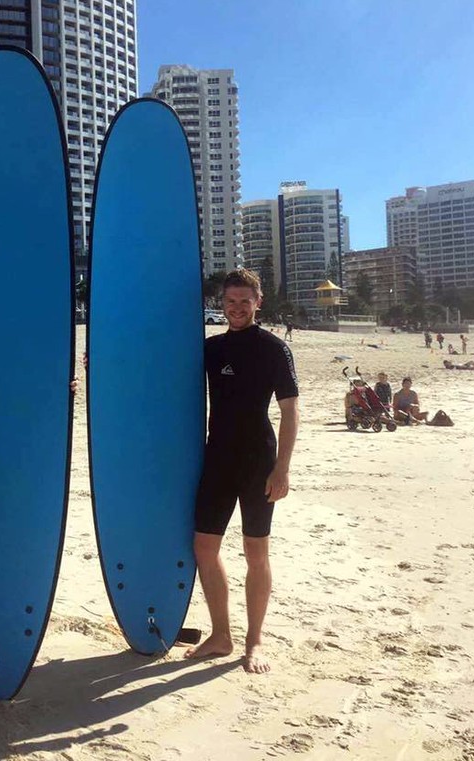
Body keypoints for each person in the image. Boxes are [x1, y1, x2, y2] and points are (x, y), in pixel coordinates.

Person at [186, 268, 299, 674]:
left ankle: (254, 642)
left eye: (243, 301)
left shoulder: (273, 349)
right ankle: (221, 635)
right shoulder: (211, 349)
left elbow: (289, 411)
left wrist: (282, 469)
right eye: (229, 301)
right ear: (222, 303)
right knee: (204, 546)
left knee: (256, 551)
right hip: (217, 458)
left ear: (258, 302)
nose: (236, 308)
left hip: (258, 462)